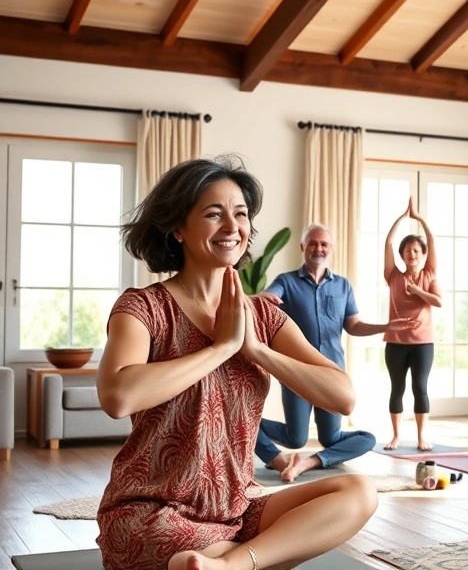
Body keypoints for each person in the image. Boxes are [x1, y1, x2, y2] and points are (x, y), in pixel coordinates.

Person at [95, 157, 377, 570]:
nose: (232, 227)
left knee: (359, 492)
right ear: (178, 229)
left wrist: (257, 351)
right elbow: (118, 397)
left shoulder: (263, 317)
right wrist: (221, 348)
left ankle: (231, 564)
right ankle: (233, 561)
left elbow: (343, 397)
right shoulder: (143, 307)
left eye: (240, 214)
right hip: (153, 512)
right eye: (214, 214)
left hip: (237, 511)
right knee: (198, 552)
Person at [254, 223, 419, 482]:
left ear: (331, 249)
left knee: (337, 438)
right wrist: (263, 296)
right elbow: (268, 297)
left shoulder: (343, 286)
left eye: (323, 244)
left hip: (332, 376)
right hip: (298, 375)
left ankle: (309, 463)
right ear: (302, 248)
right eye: (312, 243)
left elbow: (353, 326)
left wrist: (386, 326)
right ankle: (277, 459)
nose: (318, 248)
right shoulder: (286, 281)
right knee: (295, 438)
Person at [382, 197, 442, 451]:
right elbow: (388, 242)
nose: (412, 253)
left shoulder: (430, 274)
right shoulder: (393, 275)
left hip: (422, 343)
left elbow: (438, 301)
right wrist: (402, 218)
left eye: (416, 250)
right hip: (395, 343)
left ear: (423, 254)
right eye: (407, 250)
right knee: (397, 389)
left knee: (420, 388)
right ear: (402, 254)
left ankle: (421, 438)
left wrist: (419, 220)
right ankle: (396, 437)